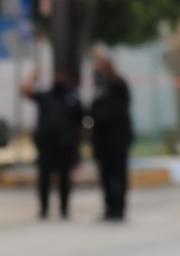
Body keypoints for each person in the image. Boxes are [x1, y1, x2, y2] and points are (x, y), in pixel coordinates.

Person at [22, 65, 84, 220]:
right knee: (44, 178)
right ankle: (44, 209)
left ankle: (64, 209)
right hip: (46, 145)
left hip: (65, 145)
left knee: (64, 179)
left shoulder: (73, 98)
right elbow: (25, 91)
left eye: (62, 75)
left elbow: (81, 123)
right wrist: (33, 75)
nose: (59, 78)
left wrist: (77, 145)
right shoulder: (46, 95)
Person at [88, 50, 133, 222]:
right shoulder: (99, 91)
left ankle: (119, 208)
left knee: (119, 175)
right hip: (102, 140)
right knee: (105, 175)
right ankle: (109, 208)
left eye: (101, 70)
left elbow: (115, 76)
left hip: (118, 139)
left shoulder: (118, 85)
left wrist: (104, 60)